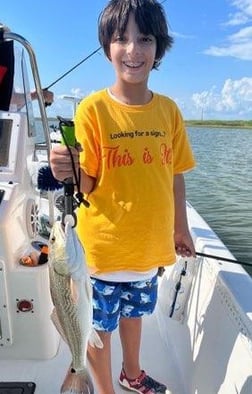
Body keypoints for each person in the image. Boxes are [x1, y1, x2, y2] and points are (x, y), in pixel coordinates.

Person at [50, 0, 196, 393]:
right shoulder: (93, 110)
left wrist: (180, 228)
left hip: (148, 249)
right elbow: (88, 182)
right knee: (98, 328)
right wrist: (68, 170)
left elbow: (175, 174)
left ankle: (131, 373)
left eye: (144, 39)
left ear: (158, 47)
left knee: (135, 316)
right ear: (107, 47)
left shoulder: (169, 111)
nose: (133, 50)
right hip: (101, 255)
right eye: (121, 39)